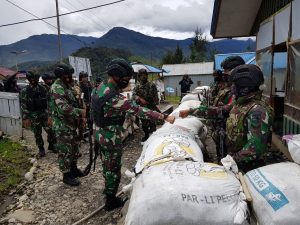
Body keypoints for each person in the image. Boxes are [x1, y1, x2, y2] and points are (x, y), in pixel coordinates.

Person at [91, 58, 175, 211]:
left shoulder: (100, 88)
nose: (128, 81)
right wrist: (163, 117)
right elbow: (137, 110)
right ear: (116, 77)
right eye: (126, 78)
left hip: (99, 132)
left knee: (106, 164)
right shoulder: (113, 97)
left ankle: (108, 190)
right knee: (113, 168)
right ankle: (110, 201)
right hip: (110, 136)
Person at [180, 64, 274, 172]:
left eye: (235, 85)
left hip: (249, 170)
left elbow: (256, 148)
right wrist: (192, 111)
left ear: (245, 87)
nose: (232, 88)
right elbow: (220, 111)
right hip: (236, 165)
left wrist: (232, 160)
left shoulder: (257, 111)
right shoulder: (240, 104)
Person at [180, 56, 245, 160]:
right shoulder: (228, 88)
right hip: (222, 132)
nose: (226, 75)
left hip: (234, 141)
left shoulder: (240, 93)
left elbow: (223, 110)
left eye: (227, 72)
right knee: (221, 154)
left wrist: (192, 111)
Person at [50, 64, 86, 186]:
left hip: (72, 124)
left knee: (75, 148)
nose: (70, 77)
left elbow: (75, 101)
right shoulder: (57, 87)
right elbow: (63, 108)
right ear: (61, 76)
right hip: (62, 125)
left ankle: (74, 169)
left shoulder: (67, 86)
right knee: (65, 150)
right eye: (67, 75)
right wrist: (81, 112)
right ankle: (66, 175)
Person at [20, 71, 55, 157]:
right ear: (28, 80)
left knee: (51, 130)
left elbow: (50, 101)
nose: (34, 81)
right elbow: (23, 105)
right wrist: (25, 118)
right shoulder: (25, 91)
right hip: (33, 115)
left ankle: (52, 145)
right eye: (32, 79)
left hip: (44, 113)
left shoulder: (44, 88)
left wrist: (50, 115)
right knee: (37, 133)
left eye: (35, 79)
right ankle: (41, 149)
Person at [133, 69, 160, 142]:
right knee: (144, 123)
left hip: (151, 106)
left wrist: (156, 104)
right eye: (142, 75)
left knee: (152, 122)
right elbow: (133, 95)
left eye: (145, 75)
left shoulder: (152, 85)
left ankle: (153, 137)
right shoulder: (137, 86)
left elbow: (156, 96)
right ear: (139, 76)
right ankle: (146, 136)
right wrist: (140, 99)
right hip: (142, 107)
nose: (144, 77)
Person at [41, 73, 57, 152]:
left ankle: (52, 145)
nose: (51, 80)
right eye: (49, 79)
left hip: (50, 111)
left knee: (51, 129)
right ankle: (52, 145)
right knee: (50, 129)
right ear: (45, 80)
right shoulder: (44, 88)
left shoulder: (50, 87)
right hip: (46, 112)